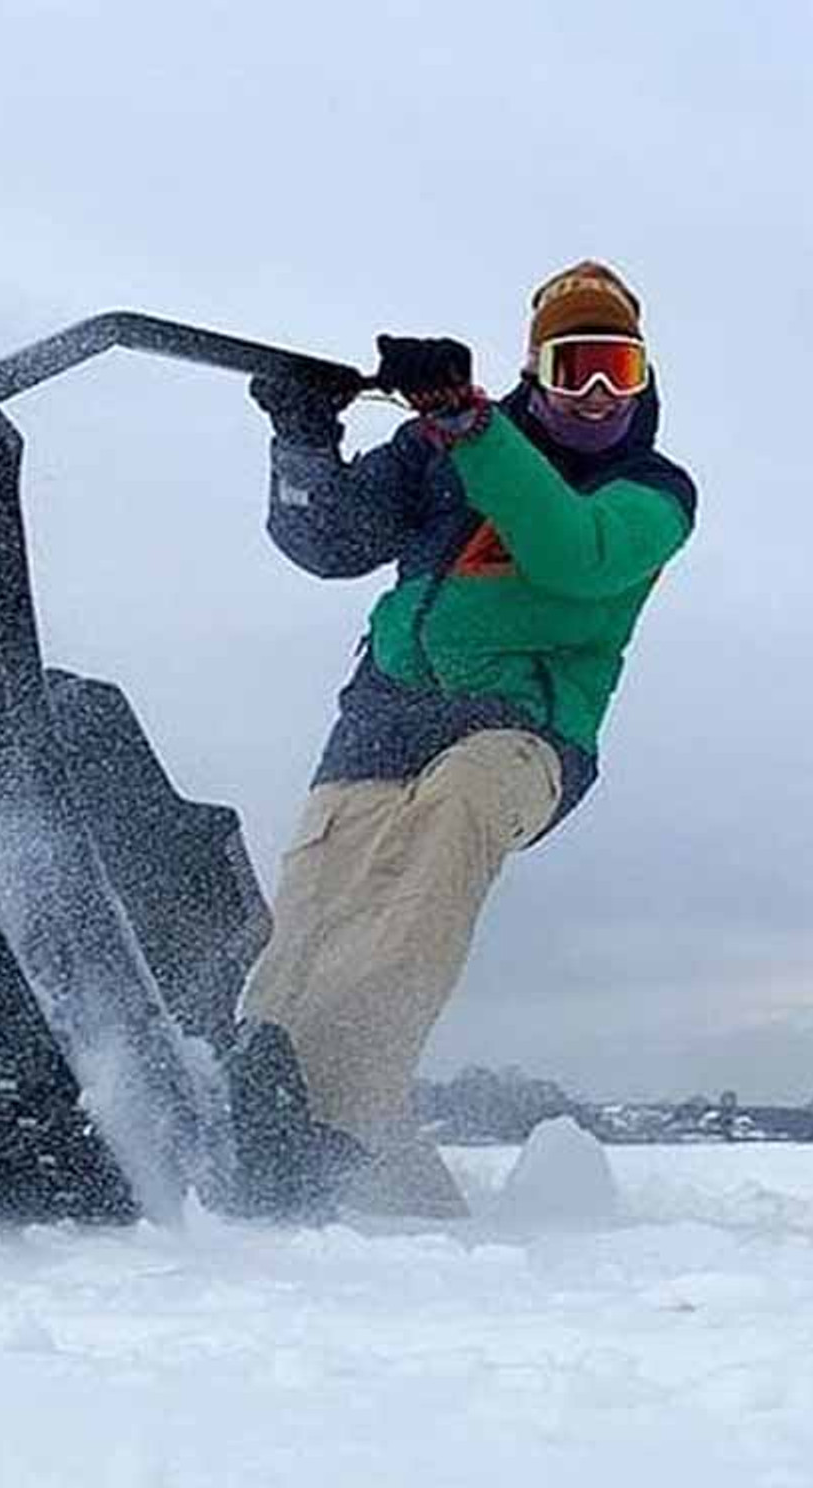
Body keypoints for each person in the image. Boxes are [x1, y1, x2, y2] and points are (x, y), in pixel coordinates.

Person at [228, 261, 697, 1217]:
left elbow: (574, 555)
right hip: (383, 717)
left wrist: (473, 427)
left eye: (619, 367)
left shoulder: (653, 492)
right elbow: (329, 545)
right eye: (577, 366)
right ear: (537, 369)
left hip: (523, 733)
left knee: (434, 855)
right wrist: (303, 434)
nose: (600, 394)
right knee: (312, 923)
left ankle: (333, 1132)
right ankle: (303, 1132)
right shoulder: (436, 451)